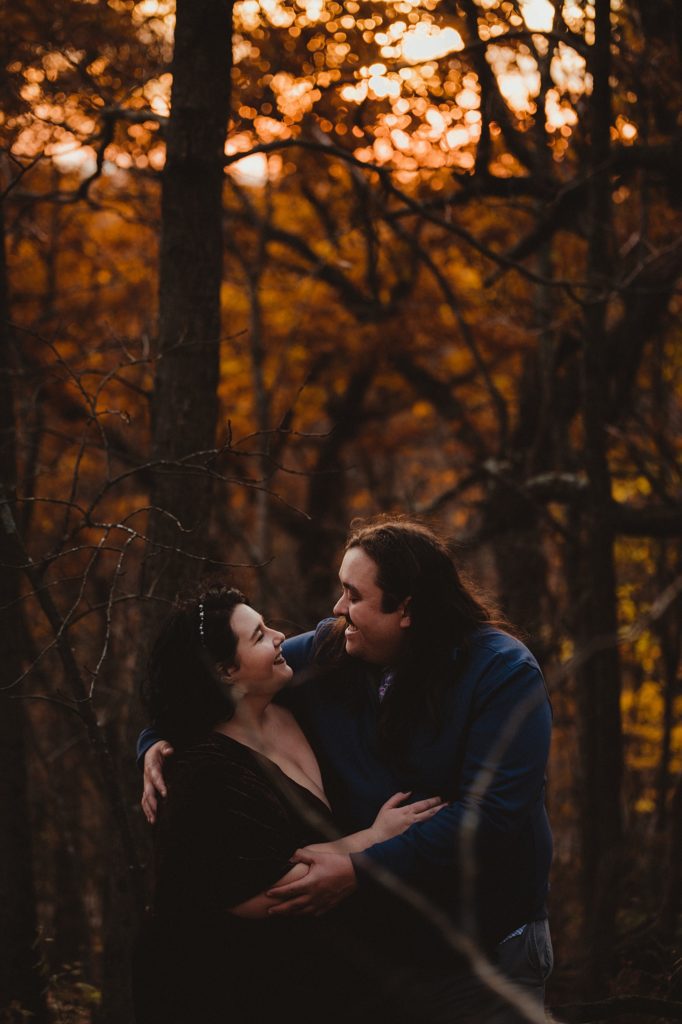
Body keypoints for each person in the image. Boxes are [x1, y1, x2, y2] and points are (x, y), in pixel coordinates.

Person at [139, 517, 554, 1023]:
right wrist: (155, 743)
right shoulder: (331, 651)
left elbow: (490, 817)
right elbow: (210, 683)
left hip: (485, 949)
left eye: (353, 595)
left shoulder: (503, 673)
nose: (337, 610)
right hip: (385, 960)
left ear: (406, 608)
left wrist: (359, 865)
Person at [133, 583, 444, 1024]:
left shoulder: (289, 707)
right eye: (259, 635)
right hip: (223, 989)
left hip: (306, 981)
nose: (280, 637)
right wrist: (373, 839)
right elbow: (264, 895)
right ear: (225, 670)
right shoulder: (201, 770)